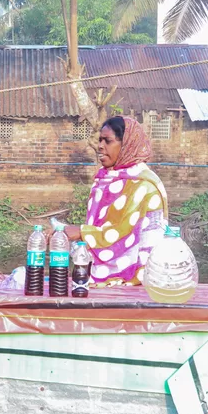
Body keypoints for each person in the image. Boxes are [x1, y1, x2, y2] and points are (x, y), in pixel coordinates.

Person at [61, 116, 168, 287]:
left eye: (108, 141)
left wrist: (82, 233)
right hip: (97, 271)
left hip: (136, 277)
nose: (100, 146)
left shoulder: (143, 185)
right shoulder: (105, 179)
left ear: (126, 145)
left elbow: (123, 233)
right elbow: (100, 225)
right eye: (100, 140)